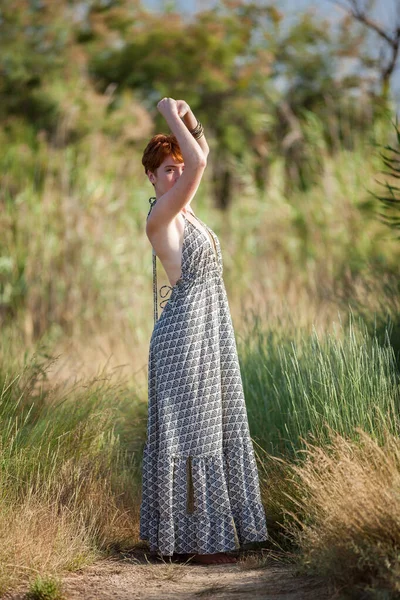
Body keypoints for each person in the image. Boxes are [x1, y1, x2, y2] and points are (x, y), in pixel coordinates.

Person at [140, 97, 268, 565]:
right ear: (151, 178)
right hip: (182, 339)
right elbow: (202, 158)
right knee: (189, 437)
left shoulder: (187, 212)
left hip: (209, 331)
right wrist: (168, 113)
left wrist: (190, 118)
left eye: (178, 166)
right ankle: (191, 543)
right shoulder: (162, 217)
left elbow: (201, 148)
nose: (177, 173)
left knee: (214, 428)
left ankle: (208, 536)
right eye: (166, 170)